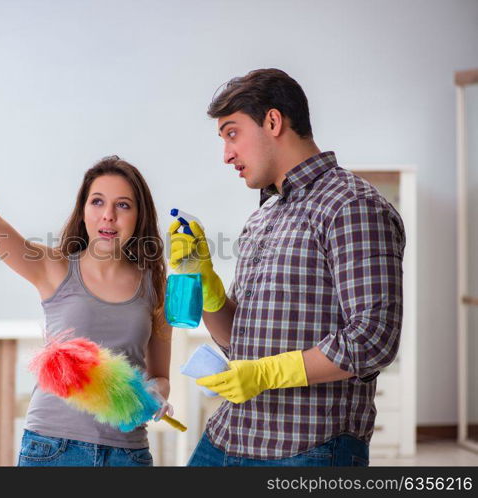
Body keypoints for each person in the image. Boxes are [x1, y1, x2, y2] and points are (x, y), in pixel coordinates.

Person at [170, 69, 405, 466]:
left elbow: (374, 339)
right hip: (230, 435)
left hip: (307, 448)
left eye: (232, 133)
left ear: (273, 122)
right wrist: (207, 284)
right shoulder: (264, 216)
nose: (226, 154)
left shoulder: (351, 206)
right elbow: (238, 342)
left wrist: (267, 374)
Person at [0, 84, 172, 467]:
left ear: (138, 216)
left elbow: (160, 374)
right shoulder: (54, 267)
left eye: (122, 205)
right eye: (97, 202)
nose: (108, 215)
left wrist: (157, 393)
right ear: (83, 211)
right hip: (53, 449)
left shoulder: (155, 285)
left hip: (128, 454)